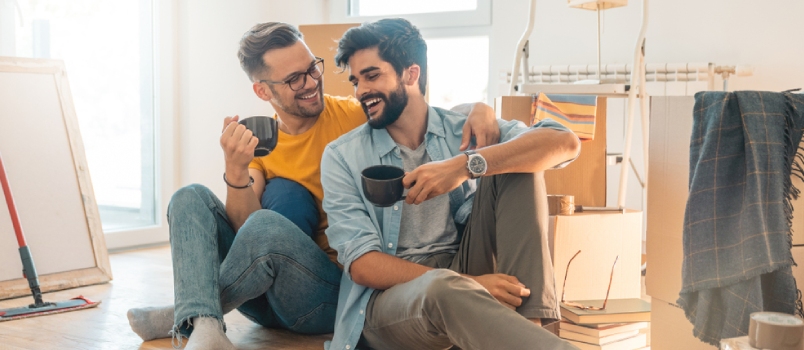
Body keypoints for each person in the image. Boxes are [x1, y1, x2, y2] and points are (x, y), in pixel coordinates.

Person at [125, 22, 500, 350]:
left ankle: (193, 308)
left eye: (312, 68)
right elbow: (245, 232)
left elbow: (418, 109)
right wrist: (236, 171)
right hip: (265, 291)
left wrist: (480, 108)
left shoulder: (356, 114)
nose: (311, 84)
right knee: (189, 196)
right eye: (294, 79)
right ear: (262, 91)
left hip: (332, 292)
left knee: (269, 223)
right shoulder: (263, 143)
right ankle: (204, 322)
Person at [320, 18, 583, 350]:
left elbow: (565, 142)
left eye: (372, 76)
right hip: (391, 301)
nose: (360, 92)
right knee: (442, 289)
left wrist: (466, 165)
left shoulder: (464, 130)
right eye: (355, 81)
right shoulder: (342, 156)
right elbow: (362, 265)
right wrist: (472, 285)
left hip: (464, 265)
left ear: (411, 74)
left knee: (519, 161)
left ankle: (525, 325)